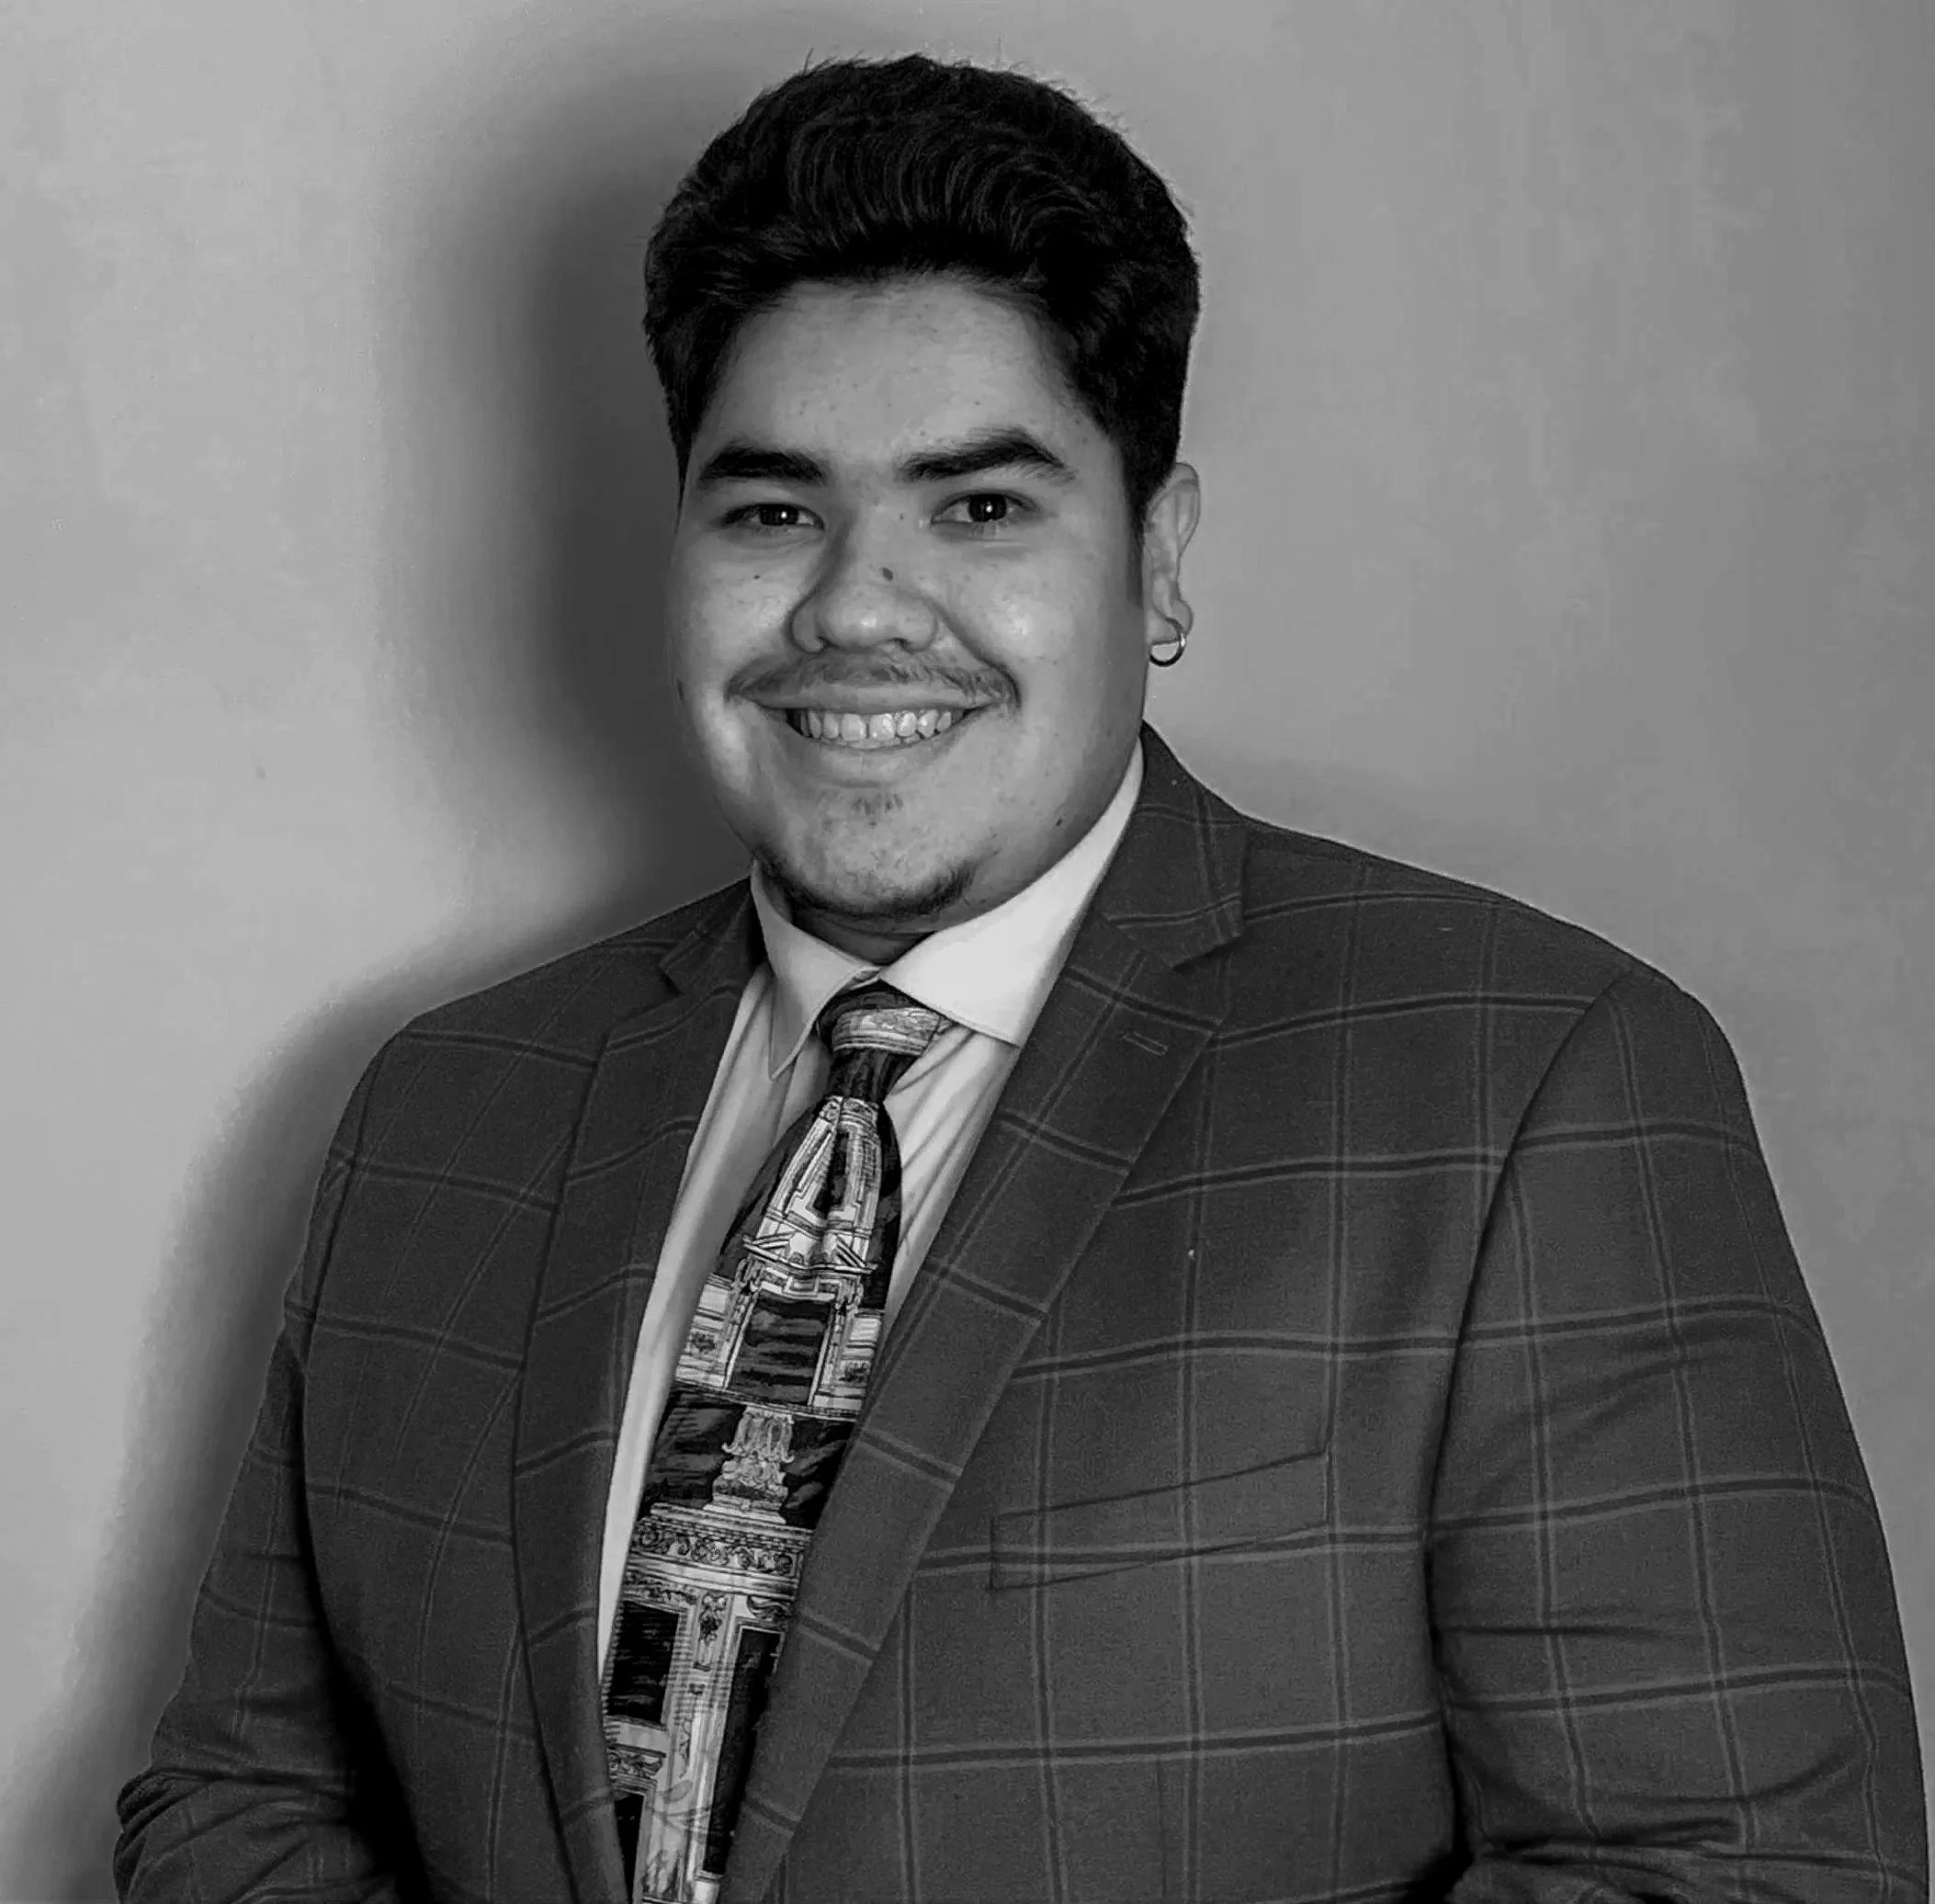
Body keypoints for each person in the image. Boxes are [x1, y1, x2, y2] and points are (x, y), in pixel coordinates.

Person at [116, 51, 1926, 1904]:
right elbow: (242, 1793)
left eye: (980, 510)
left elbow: (1743, 1871)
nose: (858, 605)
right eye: (770, 511)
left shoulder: (1530, 1086)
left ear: (1155, 562)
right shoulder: (446, 1111)